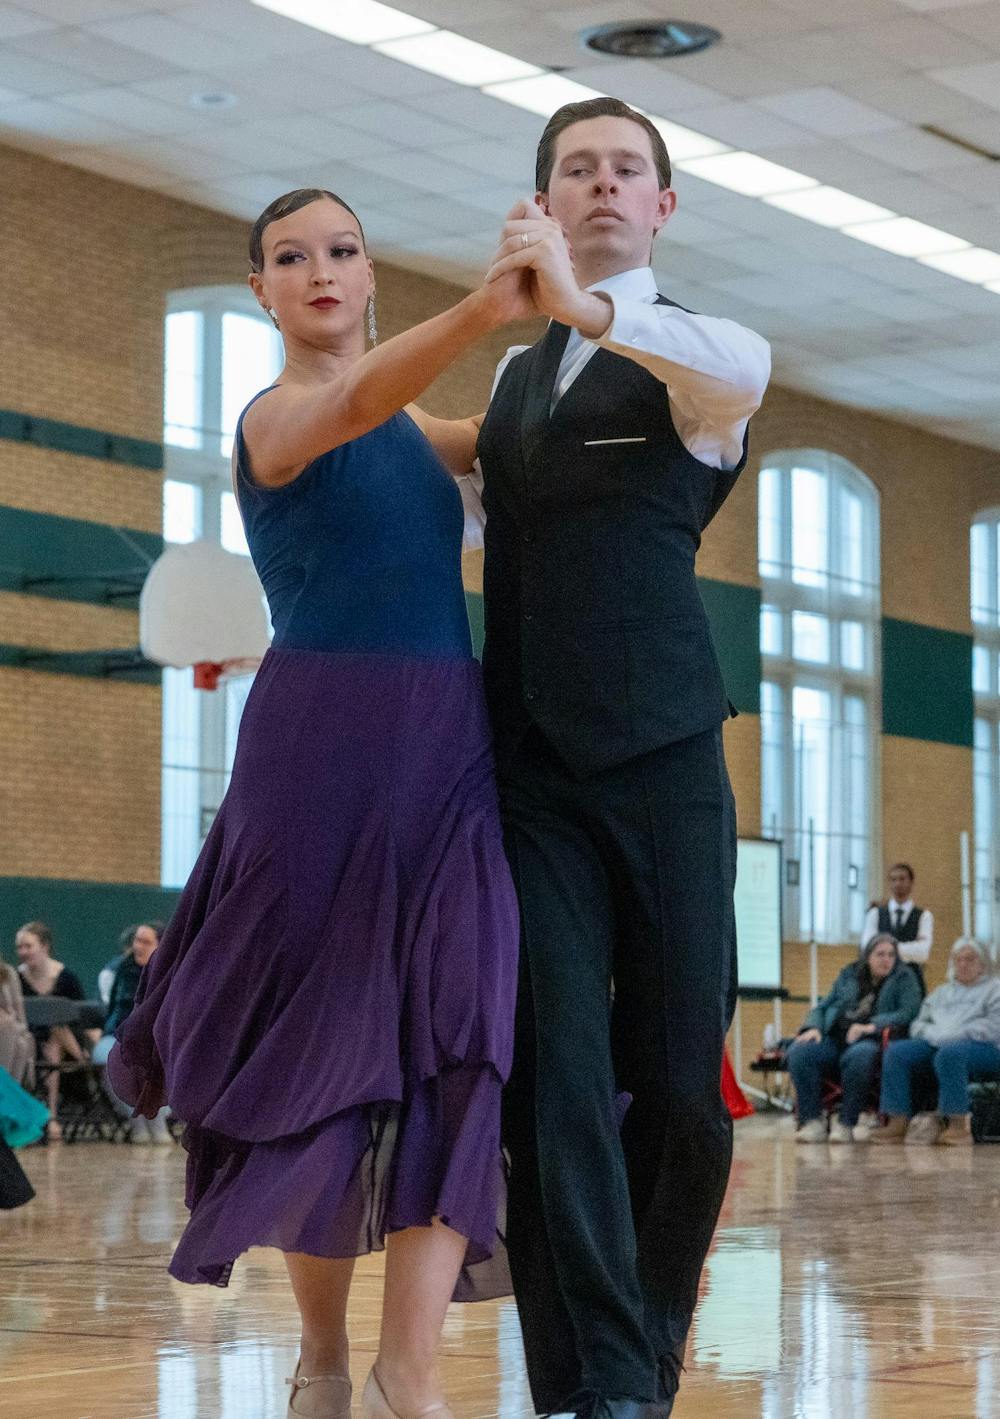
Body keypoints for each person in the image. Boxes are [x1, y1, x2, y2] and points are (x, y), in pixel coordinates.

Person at [109, 188, 525, 1419]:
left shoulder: (423, 430)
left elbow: (518, 438)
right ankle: (326, 1360)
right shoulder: (277, 416)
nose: (321, 270)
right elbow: (350, 404)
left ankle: (411, 1369)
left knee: (465, 1018)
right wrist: (485, 305)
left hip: (446, 746)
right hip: (320, 754)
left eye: (342, 250)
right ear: (262, 292)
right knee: (326, 1050)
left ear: (369, 272)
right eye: (291, 258)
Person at [472, 97, 771, 1419]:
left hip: (661, 762)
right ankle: (588, 1374)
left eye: (625, 170)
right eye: (573, 169)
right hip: (530, 772)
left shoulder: (715, 354)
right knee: (556, 1081)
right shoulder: (509, 379)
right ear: (538, 199)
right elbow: (462, 497)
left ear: (663, 204)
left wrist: (582, 307)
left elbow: (716, 384)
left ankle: (642, 1345)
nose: (601, 185)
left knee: (685, 1095)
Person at [786, 934, 922, 1145]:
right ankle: (812, 1122)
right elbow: (823, 1005)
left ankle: (846, 1124)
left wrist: (872, 1025)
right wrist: (813, 1027)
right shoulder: (849, 974)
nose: (886, 959)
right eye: (880, 954)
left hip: (871, 1040)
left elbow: (909, 1012)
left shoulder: (905, 978)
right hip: (836, 1037)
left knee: (860, 1055)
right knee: (800, 1051)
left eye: (891, 955)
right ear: (868, 957)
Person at [868, 938, 1000, 1147]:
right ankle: (897, 1120)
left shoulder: (994, 990)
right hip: (938, 1042)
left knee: (950, 1054)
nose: (963, 964)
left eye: (970, 959)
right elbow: (918, 1024)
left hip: (985, 1049)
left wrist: (956, 1034)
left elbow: (994, 1028)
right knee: (897, 1052)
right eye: (958, 960)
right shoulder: (941, 993)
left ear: (982, 964)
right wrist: (934, 1033)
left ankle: (958, 1125)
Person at [92, 924, 170, 1144]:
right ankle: (138, 1122)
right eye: (137, 940)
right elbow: (113, 1012)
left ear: (160, 946)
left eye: (146, 942)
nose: (138, 946)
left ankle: (156, 1120)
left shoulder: (169, 974)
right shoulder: (122, 970)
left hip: (155, 1038)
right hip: (116, 1035)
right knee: (111, 1059)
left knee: (154, 1060)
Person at [16, 921, 87, 1143]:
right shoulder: (16, 978)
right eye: (19, 947)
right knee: (49, 1041)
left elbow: (82, 1015)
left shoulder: (65, 977)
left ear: (44, 946)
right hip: (32, 1042)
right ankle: (51, 1117)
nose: (23, 952)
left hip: (67, 1039)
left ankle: (52, 1115)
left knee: (56, 1028)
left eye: (28, 946)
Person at [861, 863, 933, 994]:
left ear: (911, 883)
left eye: (902, 879)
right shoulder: (875, 914)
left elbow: (923, 953)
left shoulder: (924, 916)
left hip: (912, 982)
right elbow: (867, 948)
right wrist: (909, 950)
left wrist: (884, 951)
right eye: (893, 880)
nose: (898, 884)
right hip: (879, 984)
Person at [0, 949, 34, 1089]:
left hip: (11, 1028)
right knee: (10, 1029)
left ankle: (8, 1098)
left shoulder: (8, 973)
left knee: (22, 1043)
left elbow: (19, 1015)